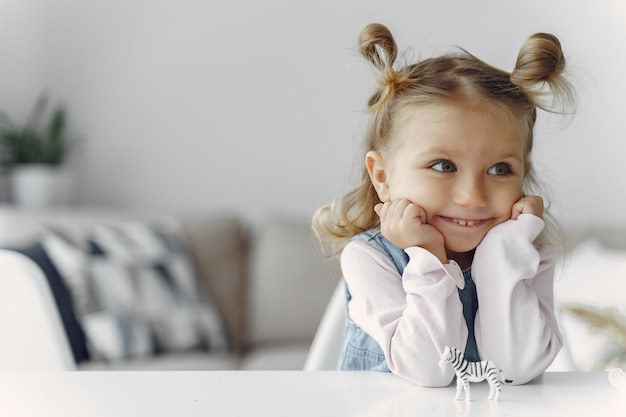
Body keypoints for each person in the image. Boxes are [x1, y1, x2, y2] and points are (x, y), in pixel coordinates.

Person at [312, 23, 575, 387]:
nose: (472, 196)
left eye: (500, 169)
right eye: (443, 166)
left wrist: (500, 254)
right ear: (383, 177)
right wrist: (427, 256)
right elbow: (430, 370)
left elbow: (516, 368)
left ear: (523, 175)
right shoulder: (368, 258)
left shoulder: (525, 251)